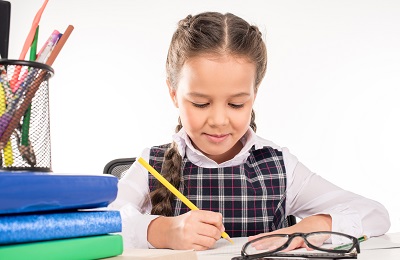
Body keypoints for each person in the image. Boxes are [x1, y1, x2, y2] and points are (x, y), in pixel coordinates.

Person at [108, 11, 390, 251]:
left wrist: (316, 225)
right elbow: (99, 222)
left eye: (236, 103)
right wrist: (161, 231)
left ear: (254, 95)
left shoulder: (279, 165)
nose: (219, 120)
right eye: (200, 103)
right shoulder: (152, 165)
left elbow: (376, 215)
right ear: (173, 95)